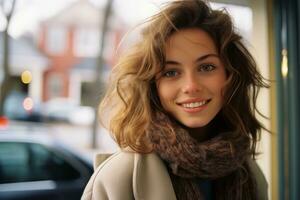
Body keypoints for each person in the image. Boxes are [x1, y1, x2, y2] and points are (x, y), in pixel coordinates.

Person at [81, 0, 269, 199]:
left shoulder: (250, 173)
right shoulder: (117, 179)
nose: (191, 86)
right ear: (152, 86)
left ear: (231, 75)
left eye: (206, 67)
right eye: (171, 72)